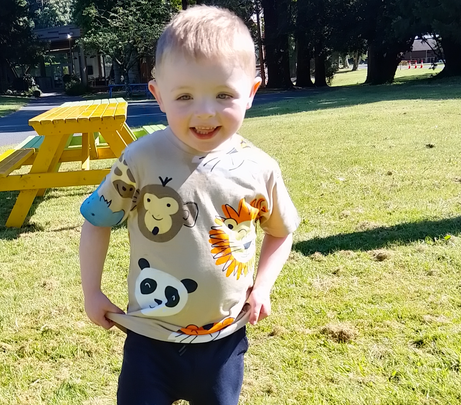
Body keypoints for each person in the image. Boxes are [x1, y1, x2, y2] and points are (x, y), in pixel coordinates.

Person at [78, 5, 300, 404]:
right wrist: (91, 291)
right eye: (184, 96)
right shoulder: (139, 159)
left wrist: (263, 286)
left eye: (223, 94)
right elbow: (97, 220)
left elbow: (281, 232)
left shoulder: (260, 169)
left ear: (251, 92)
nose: (204, 112)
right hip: (149, 342)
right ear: (158, 95)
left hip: (223, 342)